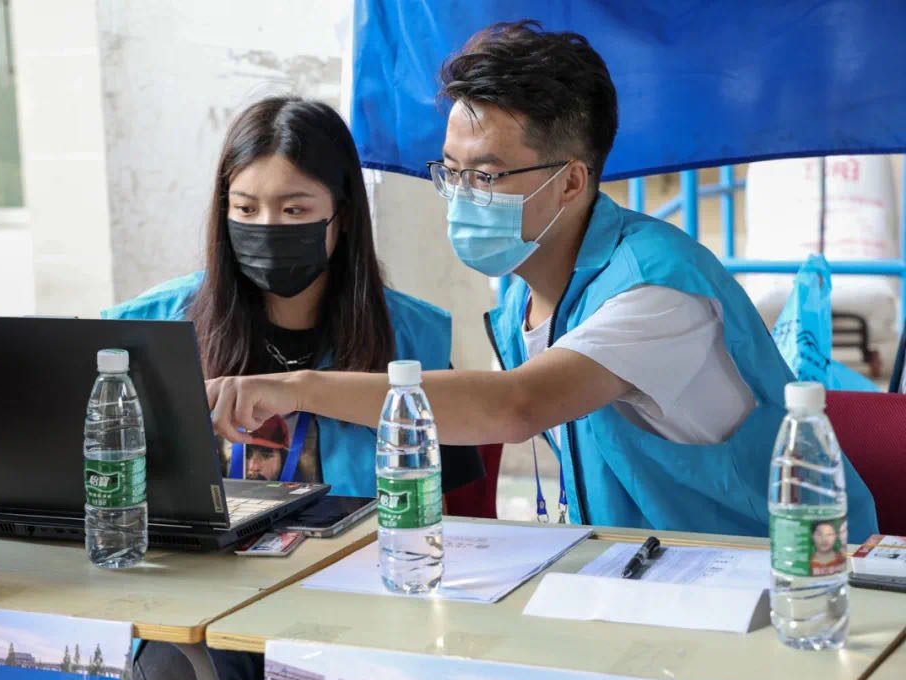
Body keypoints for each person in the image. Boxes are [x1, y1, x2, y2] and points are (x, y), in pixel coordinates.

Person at [0, 95, 484, 680]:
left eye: (294, 209)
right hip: (191, 608)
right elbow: (66, 423)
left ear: (341, 216)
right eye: (247, 208)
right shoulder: (153, 324)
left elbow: (462, 515)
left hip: (349, 612)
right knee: (174, 673)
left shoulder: (413, 338)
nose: (268, 226)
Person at [206, 21, 879, 543]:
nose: (461, 196)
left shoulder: (656, 290)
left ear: (571, 182)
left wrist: (296, 388)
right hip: (644, 576)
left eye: (486, 175)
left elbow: (517, 406)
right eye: (451, 171)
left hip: (784, 580)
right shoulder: (528, 297)